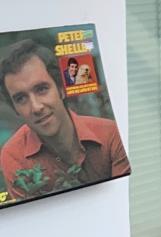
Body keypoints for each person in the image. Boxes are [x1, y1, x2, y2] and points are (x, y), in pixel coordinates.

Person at [0, 39, 130, 203]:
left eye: (42, 89)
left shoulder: (110, 134)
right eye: (21, 98)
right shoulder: (13, 155)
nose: (36, 107)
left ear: (61, 89)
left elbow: (122, 200)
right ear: (15, 109)